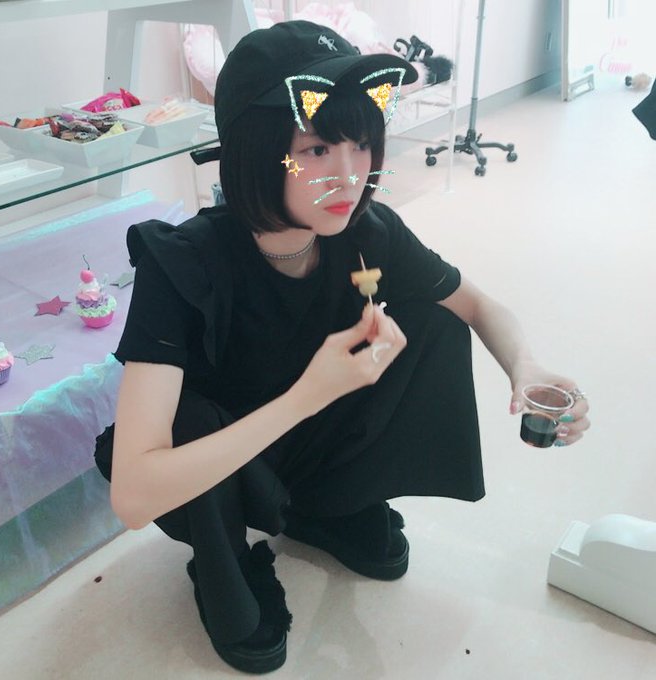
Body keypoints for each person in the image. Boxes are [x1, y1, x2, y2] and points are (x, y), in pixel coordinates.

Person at [94, 20, 590, 675]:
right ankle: (228, 562)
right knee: (187, 417)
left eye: (361, 145)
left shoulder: (365, 232)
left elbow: (477, 305)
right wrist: (308, 394)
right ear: (256, 149)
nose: (350, 175)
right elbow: (133, 494)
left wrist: (526, 368)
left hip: (310, 445)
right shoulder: (183, 263)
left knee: (431, 319)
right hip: (219, 473)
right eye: (319, 148)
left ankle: (329, 507)